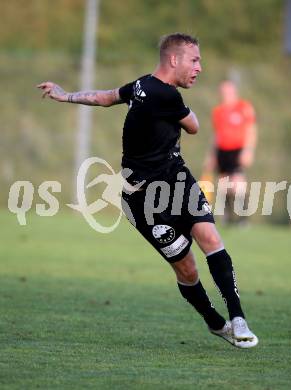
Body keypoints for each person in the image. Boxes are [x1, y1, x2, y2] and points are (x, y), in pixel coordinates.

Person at [37, 33, 258, 348]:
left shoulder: (141, 86)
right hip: (141, 199)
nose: (199, 68)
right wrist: (185, 114)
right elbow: (194, 126)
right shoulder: (167, 96)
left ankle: (238, 317)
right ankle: (215, 322)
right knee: (186, 267)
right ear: (174, 60)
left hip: (176, 180)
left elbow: (105, 96)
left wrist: (66, 95)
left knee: (210, 238)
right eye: (194, 60)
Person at [204, 81, 257, 224]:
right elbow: (216, 135)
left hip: (237, 149)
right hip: (222, 150)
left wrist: (248, 150)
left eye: (228, 92)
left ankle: (243, 218)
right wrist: (212, 156)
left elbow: (250, 130)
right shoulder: (218, 111)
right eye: (223, 92)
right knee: (223, 185)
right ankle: (228, 218)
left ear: (234, 92)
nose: (225, 95)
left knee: (237, 183)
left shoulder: (244, 107)